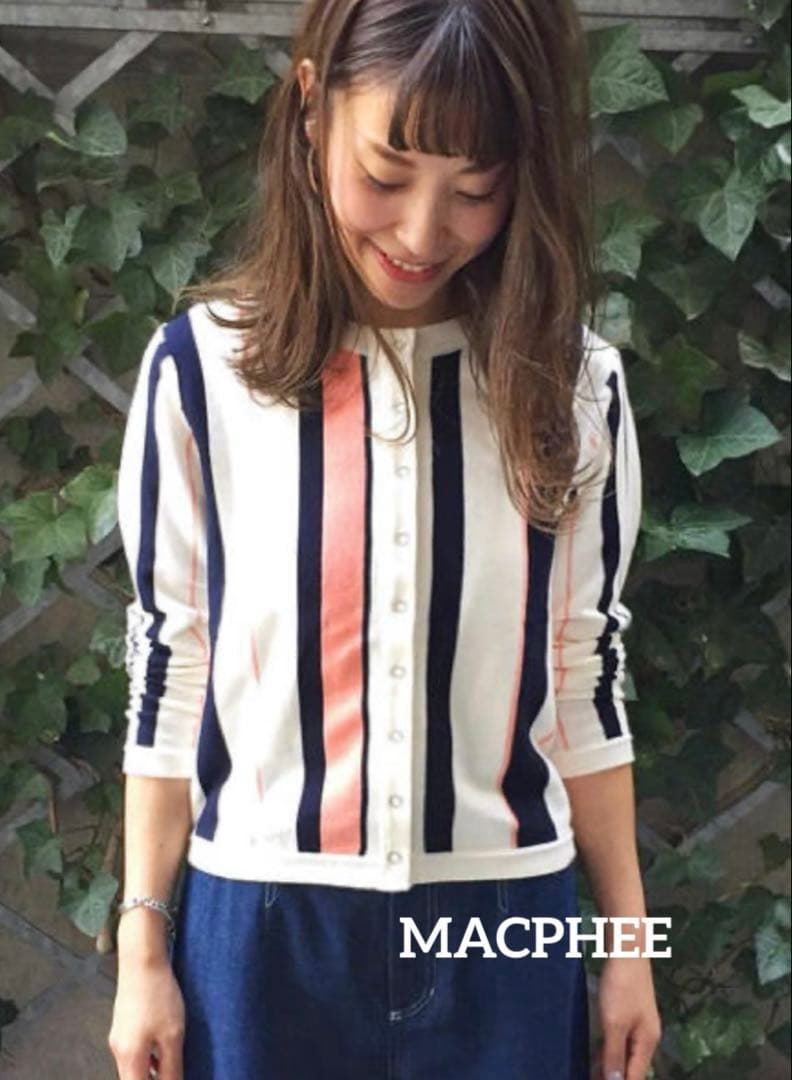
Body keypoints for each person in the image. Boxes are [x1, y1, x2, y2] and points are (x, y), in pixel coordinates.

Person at [108, 1, 662, 1078]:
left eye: (475, 191)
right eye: (387, 173)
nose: (421, 232)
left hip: (505, 930)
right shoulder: (201, 374)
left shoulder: (573, 386)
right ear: (312, 107)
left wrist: (628, 945)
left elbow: (582, 675)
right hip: (261, 932)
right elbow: (174, 670)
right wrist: (143, 949)